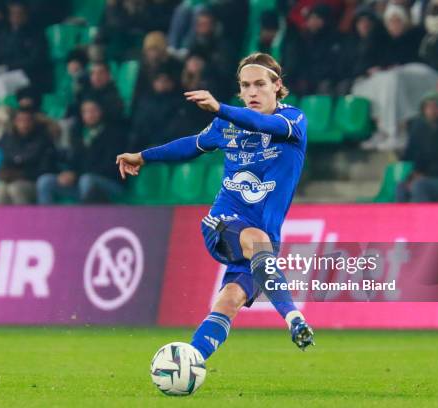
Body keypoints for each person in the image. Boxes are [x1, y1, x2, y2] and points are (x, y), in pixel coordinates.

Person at [116, 52, 315, 362]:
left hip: (262, 238)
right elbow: (192, 145)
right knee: (257, 242)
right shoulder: (226, 124)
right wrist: (143, 156)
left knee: (230, 301)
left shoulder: (293, 121)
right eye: (245, 85)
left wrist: (221, 108)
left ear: (277, 85)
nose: (252, 92)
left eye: (260, 84)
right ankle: (295, 319)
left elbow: (262, 123)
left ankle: (190, 360)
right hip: (223, 222)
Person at [37, 99, 126, 204]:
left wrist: (77, 175)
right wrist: (67, 173)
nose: (90, 115)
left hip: (110, 183)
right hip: (80, 181)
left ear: (101, 111)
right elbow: (74, 161)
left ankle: (85, 219)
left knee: (87, 179)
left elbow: (110, 166)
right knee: (45, 181)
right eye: (85, 112)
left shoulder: (114, 134)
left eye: (93, 111)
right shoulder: (79, 133)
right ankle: (47, 219)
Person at [0, 108, 55, 204]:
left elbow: (45, 169)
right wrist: (4, 173)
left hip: (34, 182)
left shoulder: (43, 140)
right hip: (13, 178)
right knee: (1, 187)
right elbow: (6, 160)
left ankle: (25, 218)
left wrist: (22, 174)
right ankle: (3, 218)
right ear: (15, 122)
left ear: (33, 122)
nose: (24, 124)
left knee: (15, 188)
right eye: (20, 120)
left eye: (27, 120)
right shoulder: (9, 138)